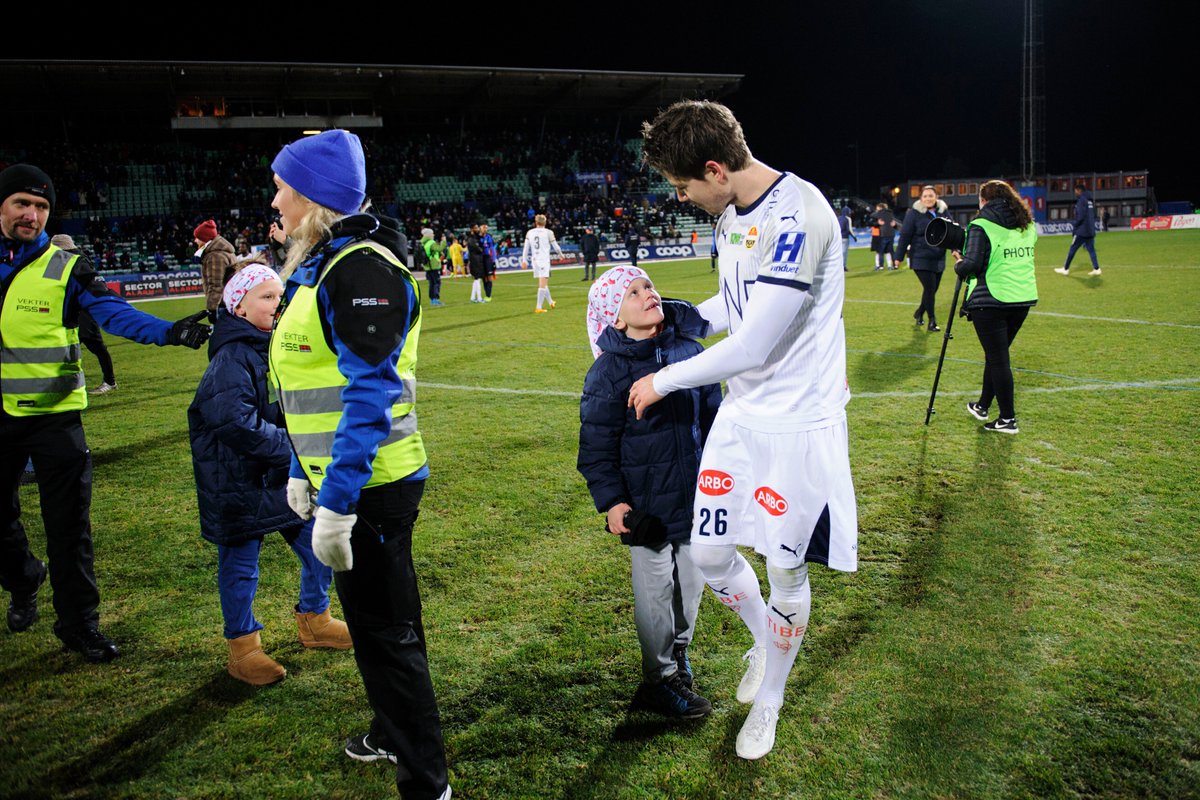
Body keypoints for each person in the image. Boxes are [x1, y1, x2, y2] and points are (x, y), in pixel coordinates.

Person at [631, 101, 858, 760]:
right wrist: (678, 318)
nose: (683, 199)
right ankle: (764, 643)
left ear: (715, 169)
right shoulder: (731, 214)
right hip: (741, 415)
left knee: (784, 571)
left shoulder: (799, 216)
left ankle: (772, 699)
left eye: (683, 187)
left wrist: (663, 380)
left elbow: (756, 340)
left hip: (796, 430)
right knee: (707, 555)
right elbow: (736, 306)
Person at [266, 130, 450, 800]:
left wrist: (339, 499)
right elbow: (305, 382)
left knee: (384, 635)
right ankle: (390, 728)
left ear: (314, 196)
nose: (275, 199)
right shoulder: (331, 262)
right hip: (353, 480)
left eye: (284, 186)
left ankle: (426, 783)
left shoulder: (359, 266)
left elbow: (369, 394)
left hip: (371, 486)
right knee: (388, 625)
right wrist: (298, 466)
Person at [0, 164, 210, 661]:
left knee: (69, 528)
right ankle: (24, 576)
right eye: (21, 204)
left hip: (55, 422)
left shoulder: (66, 266)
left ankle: (78, 625)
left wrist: (167, 332)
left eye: (42, 206)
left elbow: (113, 312)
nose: (32, 215)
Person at [188, 265, 351, 687]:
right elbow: (233, 420)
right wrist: (294, 448)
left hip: (276, 479)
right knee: (241, 567)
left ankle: (315, 621)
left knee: (318, 547)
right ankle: (243, 648)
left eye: (280, 295)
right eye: (266, 297)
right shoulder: (231, 357)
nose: (277, 303)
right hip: (237, 482)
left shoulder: (273, 346)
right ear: (238, 307)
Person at [577, 266, 721, 720]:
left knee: (691, 587)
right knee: (656, 592)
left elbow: (716, 419)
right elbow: (596, 445)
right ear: (614, 319)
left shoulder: (691, 352)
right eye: (633, 293)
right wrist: (614, 501)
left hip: (696, 498)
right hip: (647, 507)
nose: (647, 294)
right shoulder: (608, 371)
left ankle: (678, 658)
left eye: (649, 286)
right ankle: (658, 679)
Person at [953, 179, 1038, 434]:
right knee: (996, 355)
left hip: (991, 299)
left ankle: (1008, 419)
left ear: (984, 200)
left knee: (998, 359)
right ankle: (982, 405)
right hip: (1021, 298)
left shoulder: (981, 224)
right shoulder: (1028, 226)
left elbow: (972, 266)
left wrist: (958, 261)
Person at [51, 235, 119, 393]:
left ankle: (110, 382)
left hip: (83, 315)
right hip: (76, 315)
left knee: (93, 348)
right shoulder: (77, 261)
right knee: (85, 350)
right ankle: (108, 381)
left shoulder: (77, 263)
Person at [895, 186, 950, 331]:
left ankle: (919, 312)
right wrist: (898, 257)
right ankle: (932, 321)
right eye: (925, 196)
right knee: (930, 288)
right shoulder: (913, 214)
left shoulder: (943, 212)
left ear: (936, 197)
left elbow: (951, 232)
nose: (928, 199)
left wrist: (956, 250)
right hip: (920, 257)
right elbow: (905, 235)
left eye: (931, 196)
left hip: (939, 257)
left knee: (932, 289)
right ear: (920, 199)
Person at [522, 213, 566, 313]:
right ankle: (538, 307)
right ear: (545, 222)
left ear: (536, 222)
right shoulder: (548, 232)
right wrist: (561, 255)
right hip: (543, 260)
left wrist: (524, 260)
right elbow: (556, 246)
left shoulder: (530, 232)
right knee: (542, 284)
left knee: (544, 283)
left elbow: (526, 248)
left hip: (535, 260)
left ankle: (551, 302)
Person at [1055, 184, 1101, 277]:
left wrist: (1075, 226)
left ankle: (1065, 269)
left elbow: (1080, 217)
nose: (1075, 193)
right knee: (1091, 250)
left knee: (1072, 249)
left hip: (1082, 231)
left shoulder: (1081, 201)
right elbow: (1093, 215)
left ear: (1079, 191)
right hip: (1090, 230)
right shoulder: (1090, 201)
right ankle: (1097, 269)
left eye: (1075, 191)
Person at [194, 218, 237, 318]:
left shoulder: (215, 256)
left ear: (205, 239)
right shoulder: (223, 252)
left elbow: (216, 284)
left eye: (197, 238)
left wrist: (212, 309)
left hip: (222, 306)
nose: (195, 241)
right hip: (229, 302)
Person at [420, 228, 445, 307]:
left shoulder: (424, 243)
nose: (433, 235)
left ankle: (432, 300)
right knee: (436, 283)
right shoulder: (431, 242)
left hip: (427, 266)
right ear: (429, 235)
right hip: (434, 265)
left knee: (431, 283)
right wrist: (443, 241)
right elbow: (439, 248)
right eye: (432, 233)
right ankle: (435, 299)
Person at [467, 223, 490, 304]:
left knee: (476, 280)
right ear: (472, 229)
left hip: (477, 260)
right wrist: (482, 248)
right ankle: (479, 298)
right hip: (475, 261)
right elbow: (479, 249)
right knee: (478, 279)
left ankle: (473, 298)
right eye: (476, 228)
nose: (477, 229)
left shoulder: (474, 238)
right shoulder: (471, 239)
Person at [872, 202, 898, 270]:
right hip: (891, 234)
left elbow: (872, 215)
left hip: (883, 234)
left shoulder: (879, 214)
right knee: (891, 251)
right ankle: (895, 265)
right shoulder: (890, 213)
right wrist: (894, 225)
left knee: (881, 251)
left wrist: (878, 222)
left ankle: (881, 266)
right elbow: (894, 223)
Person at [838, 206, 857, 272]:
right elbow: (850, 229)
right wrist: (854, 237)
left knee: (839, 252)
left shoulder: (838, 218)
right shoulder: (848, 218)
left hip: (838, 237)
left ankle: (838, 266)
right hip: (845, 237)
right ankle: (843, 266)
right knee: (844, 252)